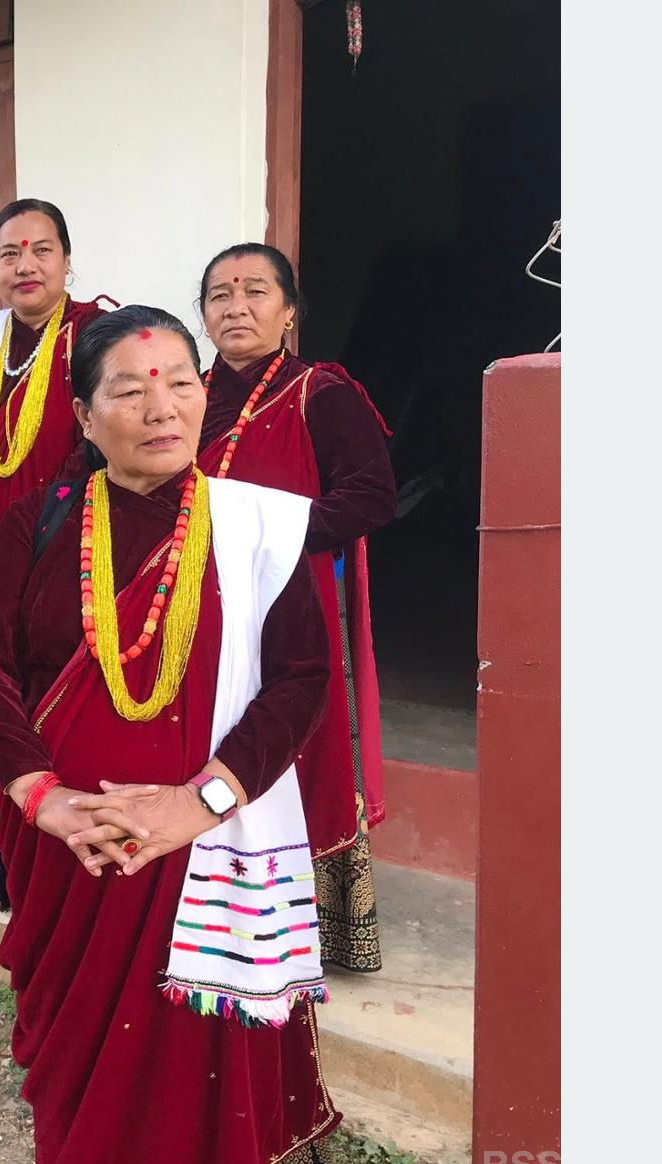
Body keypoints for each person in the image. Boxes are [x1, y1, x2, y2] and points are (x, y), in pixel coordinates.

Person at [0, 306, 338, 1164]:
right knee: (83, 1067)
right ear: (85, 418)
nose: (161, 407)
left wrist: (198, 803)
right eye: (129, 390)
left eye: (181, 383)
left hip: (204, 848)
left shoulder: (256, 527)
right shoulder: (38, 524)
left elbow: (301, 680)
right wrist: (42, 797)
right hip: (71, 851)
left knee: (200, 1069)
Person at [197, 242, 397, 973]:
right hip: (201, 607)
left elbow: (371, 497)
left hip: (291, 607)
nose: (236, 307)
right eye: (220, 294)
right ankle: (214, 908)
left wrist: (267, 537)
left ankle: (302, 929)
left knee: (296, 746)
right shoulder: (183, 394)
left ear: (288, 311)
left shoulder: (322, 392)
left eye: (256, 291)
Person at [0, 198, 113, 906]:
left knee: (62, 707)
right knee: (3, 704)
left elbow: (96, 442)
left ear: (67, 260)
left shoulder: (96, 331)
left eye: (41, 249)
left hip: (71, 553)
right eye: (10, 252)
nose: (25, 265)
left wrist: (22, 537)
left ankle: (70, 868)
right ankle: (14, 863)